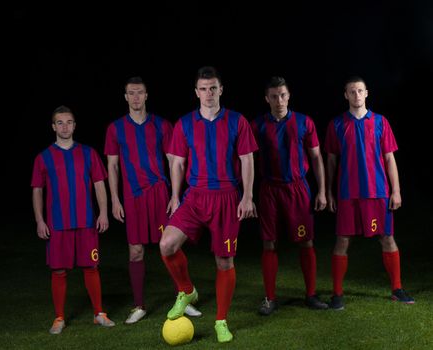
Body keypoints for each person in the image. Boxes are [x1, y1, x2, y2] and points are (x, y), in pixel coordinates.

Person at [159, 66, 258, 343]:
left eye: (213, 88)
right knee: (166, 245)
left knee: (224, 261)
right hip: (195, 195)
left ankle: (221, 321)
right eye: (203, 89)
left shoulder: (237, 121)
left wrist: (247, 196)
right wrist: (176, 195)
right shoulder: (185, 123)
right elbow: (177, 163)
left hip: (226, 196)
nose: (208, 93)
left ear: (221, 90)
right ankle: (187, 289)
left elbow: (248, 160)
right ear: (196, 92)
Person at [104, 76, 202, 324]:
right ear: (125, 97)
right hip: (133, 197)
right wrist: (115, 199)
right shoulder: (115, 129)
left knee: (170, 246)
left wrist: (175, 195)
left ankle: (184, 294)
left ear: (147, 95)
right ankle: (139, 306)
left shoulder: (162, 125)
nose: (136, 97)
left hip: (159, 193)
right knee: (136, 252)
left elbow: (173, 162)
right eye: (131, 93)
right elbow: (113, 167)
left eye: (140, 93)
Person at [325, 76, 415, 310]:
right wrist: (328, 191)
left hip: (377, 192)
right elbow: (332, 161)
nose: (356, 95)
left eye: (360, 91)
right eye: (352, 92)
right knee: (342, 240)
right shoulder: (336, 124)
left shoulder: (380, 122)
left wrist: (396, 191)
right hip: (347, 193)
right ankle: (337, 294)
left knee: (387, 238)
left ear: (367, 93)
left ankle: (397, 289)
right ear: (346, 95)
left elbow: (389, 158)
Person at [31, 105, 115, 335]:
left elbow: (99, 184)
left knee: (91, 266)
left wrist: (104, 212)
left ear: (75, 125)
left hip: (86, 222)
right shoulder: (43, 158)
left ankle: (99, 313)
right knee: (58, 271)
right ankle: (59, 318)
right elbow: (37, 190)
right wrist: (40, 220)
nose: (65, 126)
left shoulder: (88, 153)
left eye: (69, 122)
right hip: (58, 225)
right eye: (60, 122)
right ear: (53, 126)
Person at [251, 77, 328, 316]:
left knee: (306, 241)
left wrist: (323, 191)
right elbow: (248, 162)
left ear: (289, 95)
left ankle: (311, 295)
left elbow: (316, 157)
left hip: (297, 188)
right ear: (267, 99)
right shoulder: (257, 125)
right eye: (274, 96)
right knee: (269, 242)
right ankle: (270, 298)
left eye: (282, 95)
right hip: (269, 190)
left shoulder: (305, 122)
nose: (279, 100)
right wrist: (247, 195)